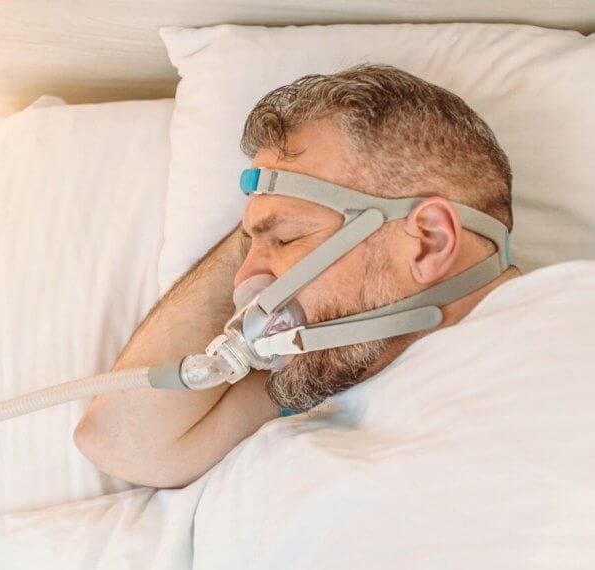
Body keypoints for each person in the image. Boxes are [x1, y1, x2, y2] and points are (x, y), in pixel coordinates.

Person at [74, 63, 523, 488]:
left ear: (430, 241)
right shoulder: (340, 363)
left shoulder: (564, 343)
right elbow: (122, 440)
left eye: (287, 239)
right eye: (249, 247)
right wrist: (267, 219)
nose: (244, 281)